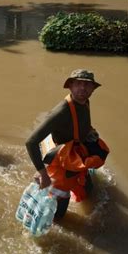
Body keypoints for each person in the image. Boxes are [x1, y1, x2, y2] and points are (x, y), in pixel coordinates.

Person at [25, 69, 109, 219]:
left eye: (87, 85)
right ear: (70, 86)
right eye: (78, 84)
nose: (83, 88)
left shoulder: (84, 102)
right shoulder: (61, 112)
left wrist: (89, 131)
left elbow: (80, 122)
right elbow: (31, 142)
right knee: (59, 214)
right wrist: (43, 174)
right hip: (61, 161)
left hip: (75, 154)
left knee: (88, 191)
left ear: (93, 89)